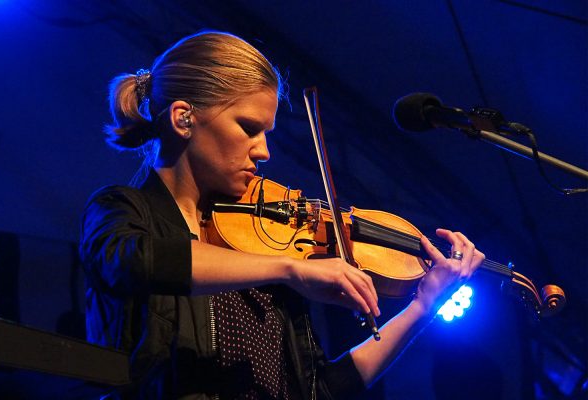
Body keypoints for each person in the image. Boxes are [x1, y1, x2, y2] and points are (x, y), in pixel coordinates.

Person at [80, 31, 485, 400]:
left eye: (267, 132)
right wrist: (288, 268)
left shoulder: (261, 241)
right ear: (183, 117)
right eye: (249, 127)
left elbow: (317, 389)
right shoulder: (123, 211)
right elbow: (133, 261)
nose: (264, 151)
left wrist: (422, 307)